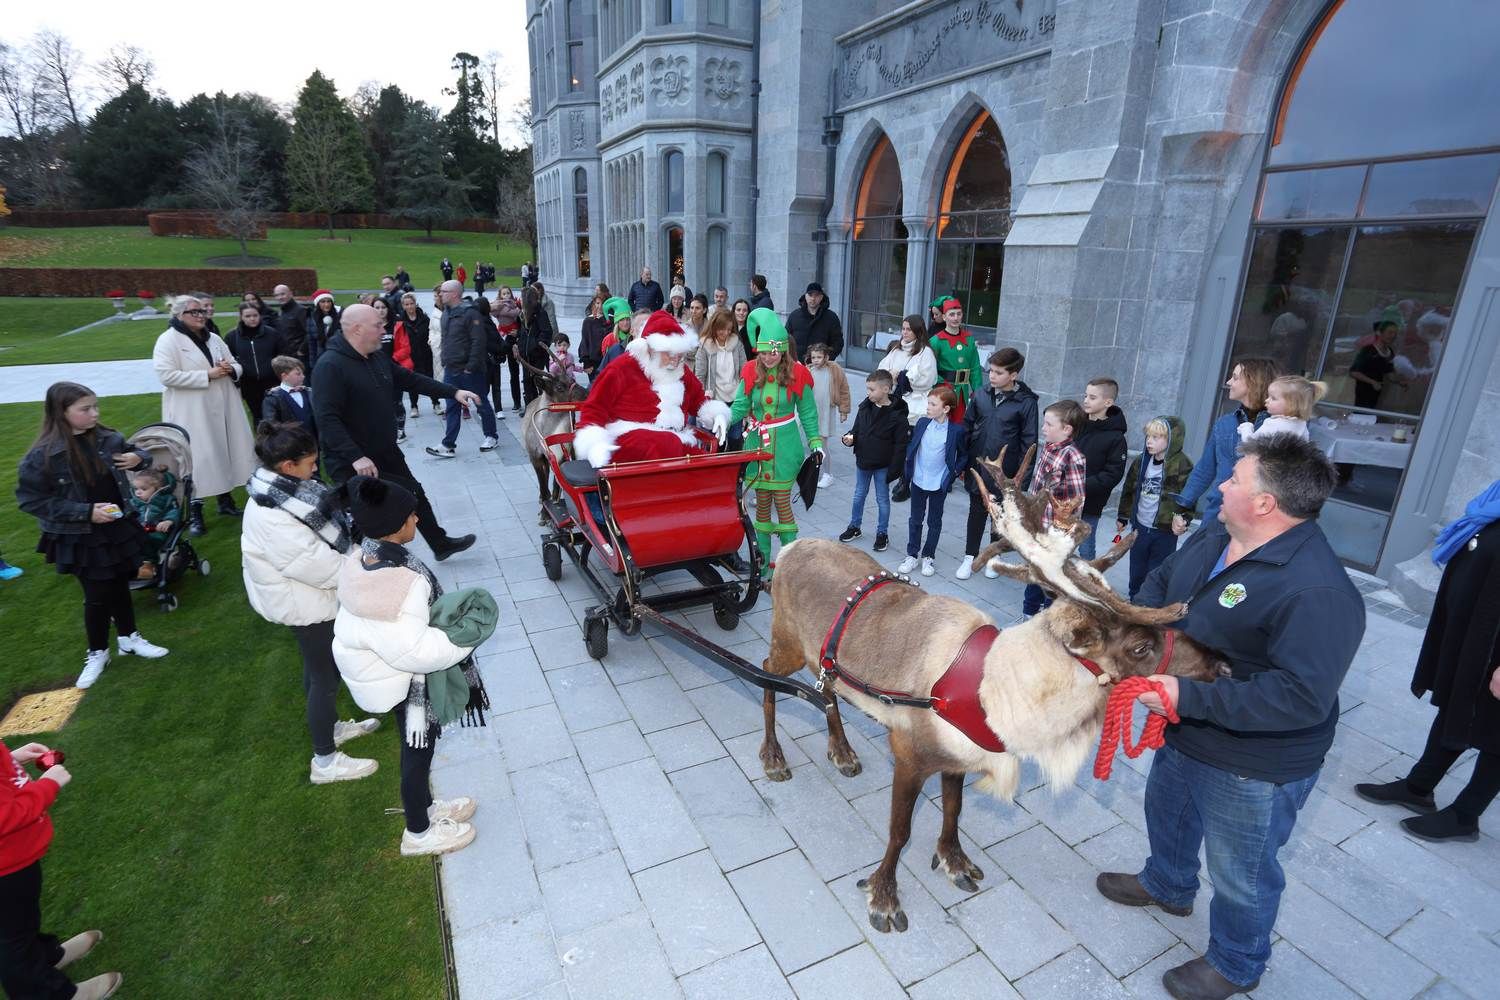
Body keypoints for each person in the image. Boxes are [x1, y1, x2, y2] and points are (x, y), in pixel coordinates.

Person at [1099, 434, 1364, 1000]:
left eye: (1235, 478)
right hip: (1187, 727)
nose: (1220, 483)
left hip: (1254, 761)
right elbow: (1161, 584)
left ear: (1266, 503)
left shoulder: (1318, 591)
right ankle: (1168, 883)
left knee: (1240, 871)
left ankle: (1237, 963)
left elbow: (1298, 697)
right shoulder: (1220, 531)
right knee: (1168, 810)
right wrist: (1139, 638)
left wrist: (1186, 697)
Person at [332, 476, 479, 856]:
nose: (417, 517)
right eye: (411, 514)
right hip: (401, 680)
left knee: (418, 749)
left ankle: (425, 808)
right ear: (396, 526)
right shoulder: (402, 582)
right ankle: (418, 832)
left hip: (377, 673)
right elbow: (415, 651)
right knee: (418, 750)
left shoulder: (362, 557)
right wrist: (463, 640)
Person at [1355, 479, 1500, 842]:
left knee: (1495, 729)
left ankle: (1466, 815)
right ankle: (1419, 787)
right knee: (1456, 706)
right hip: (1476, 631)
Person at [242, 420, 380, 785]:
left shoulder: (287, 490)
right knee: (325, 676)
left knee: (318, 669)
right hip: (304, 603)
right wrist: (361, 566)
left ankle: (330, 728)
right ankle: (325, 760)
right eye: (310, 462)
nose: (315, 468)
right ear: (288, 466)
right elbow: (313, 565)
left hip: (310, 597)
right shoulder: (272, 512)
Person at [15, 383, 170, 689]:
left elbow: (135, 454)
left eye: (95, 406)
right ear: (62, 412)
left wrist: (140, 458)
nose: (94, 414)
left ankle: (129, 638)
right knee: (97, 595)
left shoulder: (107, 438)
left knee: (120, 583)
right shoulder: (42, 456)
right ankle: (97, 653)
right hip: (79, 534)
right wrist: (85, 512)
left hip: (116, 525)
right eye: (85, 409)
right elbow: (31, 500)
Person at [312, 303, 481, 561]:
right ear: (357, 330)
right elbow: (326, 419)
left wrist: (453, 392)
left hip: (385, 450)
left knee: (412, 493)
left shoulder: (376, 356)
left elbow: (411, 379)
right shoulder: (330, 366)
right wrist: (356, 456)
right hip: (353, 462)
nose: (384, 330)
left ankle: (440, 543)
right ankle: (364, 566)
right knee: (367, 516)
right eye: (378, 325)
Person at [1, 737, 123, 1000]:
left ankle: (47, 957)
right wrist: (48, 785)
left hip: (14, 860)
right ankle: (51, 994)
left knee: (21, 922)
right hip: (5, 869)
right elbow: (5, 816)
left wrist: (9, 759)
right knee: (13, 943)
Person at [152, 294, 256, 535]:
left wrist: (232, 369)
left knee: (224, 450)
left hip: (223, 402)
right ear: (179, 315)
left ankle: (225, 501)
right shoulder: (168, 341)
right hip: (192, 408)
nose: (201, 316)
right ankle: (196, 512)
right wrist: (206, 375)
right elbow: (166, 375)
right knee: (199, 459)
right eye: (194, 312)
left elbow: (234, 363)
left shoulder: (214, 338)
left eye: (202, 311)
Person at [729, 310, 820, 579]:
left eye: (774, 352)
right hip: (756, 446)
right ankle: (763, 563)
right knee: (762, 505)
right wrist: (721, 418)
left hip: (784, 448)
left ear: (782, 350)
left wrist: (815, 441)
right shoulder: (749, 370)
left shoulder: (798, 374)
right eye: (764, 352)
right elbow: (740, 406)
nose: (768, 357)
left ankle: (788, 568)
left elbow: (808, 412)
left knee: (782, 502)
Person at [574, 310, 730, 466]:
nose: (675, 361)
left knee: (710, 467)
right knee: (666, 444)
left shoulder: (681, 371)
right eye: (669, 354)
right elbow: (595, 407)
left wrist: (716, 414)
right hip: (629, 439)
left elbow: (698, 399)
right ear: (651, 348)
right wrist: (594, 444)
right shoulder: (622, 367)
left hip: (677, 440)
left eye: (680, 355)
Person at [957, 348, 1038, 580]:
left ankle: (994, 556)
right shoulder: (981, 394)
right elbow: (968, 425)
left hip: (1006, 472)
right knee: (976, 512)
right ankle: (969, 556)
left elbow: (1029, 442)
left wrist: (1022, 478)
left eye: (998, 372)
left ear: (1014, 375)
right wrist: (964, 461)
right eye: (990, 371)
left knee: (999, 516)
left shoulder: (1026, 403)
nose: (991, 376)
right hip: (979, 466)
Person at [1174, 359, 1279, 536]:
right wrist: (1182, 508)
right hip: (1217, 515)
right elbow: (1204, 469)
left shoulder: (1279, 426)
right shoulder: (1225, 423)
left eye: (1235, 377)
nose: (1229, 382)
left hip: (1256, 522)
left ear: (1253, 382)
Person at [1020, 400, 1088, 618]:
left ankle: (1049, 620)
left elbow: (1076, 501)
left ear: (1066, 429)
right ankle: (1028, 614)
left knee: (1052, 578)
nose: (1043, 428)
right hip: (1039, 525)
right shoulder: (1049, 448)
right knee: (1035, 572)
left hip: (1056, 532)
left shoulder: (1073, 456)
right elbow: (1038, 486)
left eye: (1049, 424)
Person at [1116, 416, 1193, 600]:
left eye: (1156, 437)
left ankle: (1150, 604)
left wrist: (1184, 518)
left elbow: (1189, 496)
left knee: (1157, 571)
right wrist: (1123, 515)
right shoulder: (1142, 461)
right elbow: (1129, 488)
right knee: (1137, 567)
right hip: (1140, 526)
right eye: (1148, 436)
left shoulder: (1182, 464)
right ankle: (1135, 598)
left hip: (1164, 531)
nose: (1149, 441)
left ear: (1172, 440)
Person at [897, 386, 966, 578]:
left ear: (945, 409)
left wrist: (953, 473)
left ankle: (928, 555)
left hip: (939, 482)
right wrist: (907, 467)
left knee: (934, 521)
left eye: (933, 404)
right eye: (928, 402)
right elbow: (913, 446)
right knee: (915, 519)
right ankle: (912, 554)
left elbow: (963, 456)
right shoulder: (922, 423)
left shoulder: (955, 431)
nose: (928, 407)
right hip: (918, 479)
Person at [427, 280, 499, 458]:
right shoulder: (446, 313)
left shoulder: (470, 313)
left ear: (454, 294)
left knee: (480, 402)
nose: (439, 294)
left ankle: (491, 436)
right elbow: (445, 339)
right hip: (451, 369)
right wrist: (444, 360)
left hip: (470, 370)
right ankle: (448, 445)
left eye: (443, 291)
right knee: (451, 406)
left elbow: (478, 341)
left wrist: (470, 367)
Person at [838, 369, 908, 553]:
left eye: (871, 389)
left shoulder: (898, 415)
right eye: (867, 389)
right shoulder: (865, 407)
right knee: (859, 495)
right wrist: (849, 437)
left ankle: (882, 533)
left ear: (886, 389)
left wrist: (895, 470)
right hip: (863, 461)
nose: (868, 393)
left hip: (883, 466)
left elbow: (901, 445)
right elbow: (856, 430)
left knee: (882, 499)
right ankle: (855, 526)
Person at [1075, 376, 1129, 560]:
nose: (1085, 400)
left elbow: (1112, 474)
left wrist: (1081, 485)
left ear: (1108, 402)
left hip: (1090, 503)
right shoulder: (1077, 425)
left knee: (1085, 547)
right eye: (1085, 395)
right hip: (1064, 499)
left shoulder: (1116, 438)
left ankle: (1086, 581)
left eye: (1092, 397)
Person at [693, 308, 748, 450]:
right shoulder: (705, 346)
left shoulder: (737, 344)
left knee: (735, 437)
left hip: (735, 398)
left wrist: (745, 394)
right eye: (722, 330)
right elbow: (700, 375)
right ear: (715, 327)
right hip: (715, 399)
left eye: (729, 329)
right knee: (716, 439)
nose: (726, 333)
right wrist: (705, 396)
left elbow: (745, 370)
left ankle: (734, 469)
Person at [225, 301, 287, 420]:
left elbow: (282, 355)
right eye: (248, 316)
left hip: (272, 382)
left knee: (277, 415)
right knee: (258, 416)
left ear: (260, 315)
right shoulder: (232, 337)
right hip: (249, 385)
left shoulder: (272, 334)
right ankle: (261, 438)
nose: (252, 319)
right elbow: (229, 360)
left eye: (255, 315)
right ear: (241, 317)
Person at [877, 314, 939, 427]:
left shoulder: (926, 352)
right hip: (892, 400)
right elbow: (881, 369)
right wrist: (890, 375)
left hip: (914, 405)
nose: (904, 332)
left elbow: (927, 380)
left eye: (909, 329)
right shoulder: (896, 349)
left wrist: (902, 376)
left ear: (918, 331)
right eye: (903, 329)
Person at [929, 298, 983, 423]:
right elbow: (930, 368)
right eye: (951, 314)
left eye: (959, 314)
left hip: (962, 392)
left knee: (959, 427)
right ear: (944, 317)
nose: (955, 318)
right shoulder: (936, 341)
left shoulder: (969, 339)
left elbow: (975, 368)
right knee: (941, 424)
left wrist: (978, 392)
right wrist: (941, 386)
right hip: (943, 392)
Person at [805, 343, 850, 488]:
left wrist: (843, 411)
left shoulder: (834, 370)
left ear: (826, 357)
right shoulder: (808, 371)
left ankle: (828, 474)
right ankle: (814, 472)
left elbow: (844, 390)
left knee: (822, 444)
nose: (816, 360)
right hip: (811, 413)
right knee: (812, 444)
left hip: (825, 412)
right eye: (813, 357)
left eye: (819, 357)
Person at [126, 467, 179, 580]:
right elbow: (128, 513)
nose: (138, 492)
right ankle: (137, 565)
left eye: (143, 489)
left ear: (157, 489)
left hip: (158, 530)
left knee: (147, 541)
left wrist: (168, 520)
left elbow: (174, 510)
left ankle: (149, 564)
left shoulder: (166, 499)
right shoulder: (134, 502)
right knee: (129, 541)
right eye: (136, 489)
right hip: (139, 530)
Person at [1239, 375, 1326, 443]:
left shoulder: (1275, 424)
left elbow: (1250, 445)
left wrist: (1246, 427)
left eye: (1273, 398)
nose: (1267, 400)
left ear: (1292, 405)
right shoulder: (1301, 424)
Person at [1350, 319, 1406, 409]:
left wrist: (1399, 381)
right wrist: (1373, 382)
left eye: (1395, 333)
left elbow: (1389, 372)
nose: (1393, 336)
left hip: (1379, 394)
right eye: (1390, 332)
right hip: (1364, 393)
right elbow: (1354, 372)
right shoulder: (1368, 351)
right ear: (1379, 333)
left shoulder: (1390, 352)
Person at [396, 292, 436, 419]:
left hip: (425, 355)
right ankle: (414, 406)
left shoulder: (425, 318)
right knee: (412, 381)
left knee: (430, 379)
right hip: (410, 357)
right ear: (403, 306)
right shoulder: (400, 322)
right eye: (406, 304)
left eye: (411, 303)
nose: (409, 307)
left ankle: (436, 402)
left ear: (415, 304)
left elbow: (431, 334)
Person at [517, 284, 556, 405]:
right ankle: (530, 406)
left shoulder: (540, 313)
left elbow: (547, 332)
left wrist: (535, 346)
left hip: (536, 354)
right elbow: (523, 333)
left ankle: (540, 405)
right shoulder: (523, 314)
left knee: (536, 381)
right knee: (527, 382)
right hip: (525, 355)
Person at [786, 281, 844, 362]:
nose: (813, 298)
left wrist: (826, 359)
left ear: (821, 297)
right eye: (810, 295)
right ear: (805, 296)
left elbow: (838, 342)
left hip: (821, 366)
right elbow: (786, 338)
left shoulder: (831, 317)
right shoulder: (794, 316)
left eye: (816, 295)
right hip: (797, 365)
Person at [262, 356, 316, 442]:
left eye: (303, 373)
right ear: (284, 376)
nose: (303, 376)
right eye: (298, 374)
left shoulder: (309, 392)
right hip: (290, 445)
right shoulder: (272, 398)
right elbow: (271, 423)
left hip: (313, 442)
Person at [493, 286, 524, 412]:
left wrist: (518, 332)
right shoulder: (499, 306)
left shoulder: (517, 305)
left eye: (508, 293)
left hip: (517, 339)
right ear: (500, 295)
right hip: (506, 339)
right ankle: (516, 401)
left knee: (522, 372)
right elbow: (494, 312)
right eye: (503, 293)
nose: (506, 295)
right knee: (513, 373)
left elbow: (522, 321)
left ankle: (528, 398)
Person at [272, 284, 309, 363]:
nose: (280, 297)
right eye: (277, 295)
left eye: (283, 294)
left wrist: (301, 351)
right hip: (285, 355)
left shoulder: (301, 310)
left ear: (291, 294)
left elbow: (310, 333)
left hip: (299, 356)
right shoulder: (281, 312)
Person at [307, 290, 342, 370]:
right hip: (321, 357)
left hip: (338, 357)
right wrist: (313, 364)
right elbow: (311, 342)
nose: (326, 304)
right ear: (318, 303)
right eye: (323, 302)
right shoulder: (312, 319)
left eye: (328, 301)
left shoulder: (340, 316)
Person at [579, 291, 610, 376]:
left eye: (604, 303)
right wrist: (586, 362)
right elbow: (585, 341)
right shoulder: (588, 321)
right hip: (593, 362)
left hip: (608, 360)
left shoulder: (612, 320)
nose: (600, 306)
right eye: (598, 303)